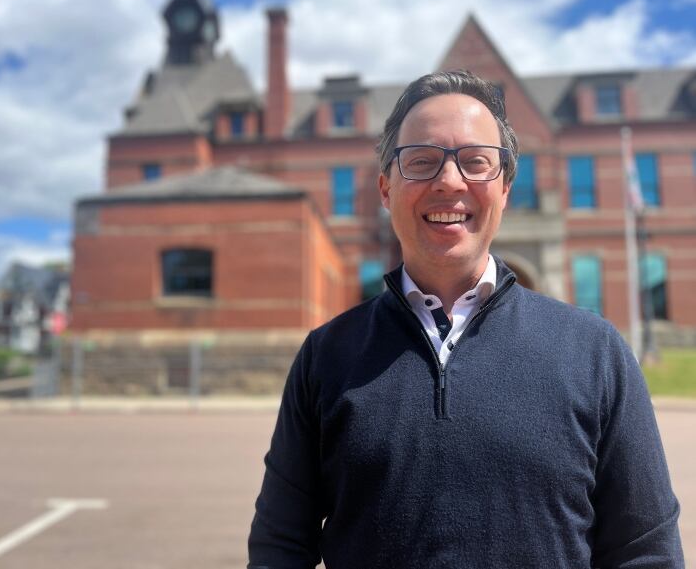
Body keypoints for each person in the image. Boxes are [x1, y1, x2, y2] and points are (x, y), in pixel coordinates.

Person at [248, 70, 684, 568]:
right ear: (386, 188)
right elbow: (279, 548)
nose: (449, 182)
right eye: (422, 162)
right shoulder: (326, 356)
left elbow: (644, 553)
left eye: (476, 162)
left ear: (505, 189)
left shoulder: (597, 353)